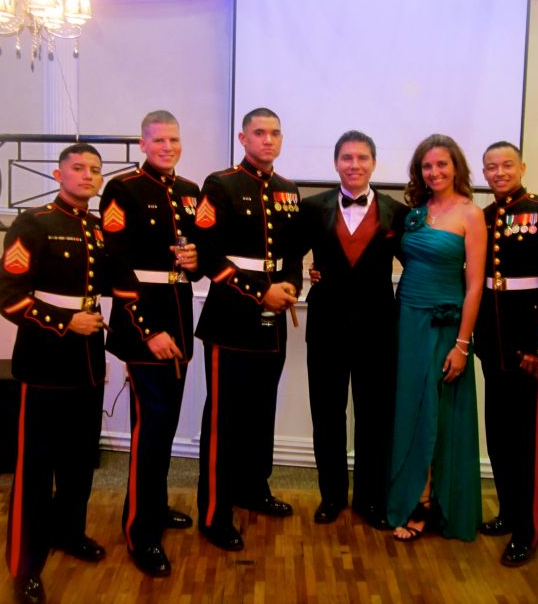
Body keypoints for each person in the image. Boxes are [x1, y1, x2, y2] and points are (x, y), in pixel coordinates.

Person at [0, 144, 108, 604]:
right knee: (35, 471)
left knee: (79, 463)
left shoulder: (97, 228)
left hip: (88, 363)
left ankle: (69, 532)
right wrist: (64, 322)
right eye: (78, 168)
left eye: (95, 170)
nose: (87, 175)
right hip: (43, 363)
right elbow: (9, 297)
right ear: (60, 175)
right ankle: (25, 568)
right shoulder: (34, 223)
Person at [193, 107, 303, 551]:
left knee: (261, 412)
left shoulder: (288, 189)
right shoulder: (220, 184)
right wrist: (262, 292)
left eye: (275, 133)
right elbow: (208, 255)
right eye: (259, 133)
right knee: (224, 420)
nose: (268, 140)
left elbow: (293, 252)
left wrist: (290, 285)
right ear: (243, 139)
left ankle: (254, 489)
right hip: (231, 319)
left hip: (273, 322)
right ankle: (214, 514)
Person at [99, 111, 200, 577]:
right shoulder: (122, 189)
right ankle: (140, 533)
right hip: (146, 328)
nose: (167, 147)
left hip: (178, 317)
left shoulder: (189, 191)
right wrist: (148, 331)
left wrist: (196, 261)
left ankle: (154, 507)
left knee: (165, 427)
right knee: (150, 429)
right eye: (159, 140)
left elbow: (194, 261)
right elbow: (116, 264)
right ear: (142, 143)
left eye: (173, 139)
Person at [297, 130, 408, 528]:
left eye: (362, 158)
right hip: (325, 325)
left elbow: (415, 264)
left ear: (374, 163)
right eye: (347, 158)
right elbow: (289, 254)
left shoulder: (397, 211)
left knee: (375, 417)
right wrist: (299, 280)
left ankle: (370, 499)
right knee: (327, 413)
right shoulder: (312, 207)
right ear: (336, 163)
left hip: (379, 328)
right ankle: (331, 496)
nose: (354, 165)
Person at [387, 133, 486, 543]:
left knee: (437, 412)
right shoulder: (416, 213)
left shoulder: (471, 214)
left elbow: (475, 285)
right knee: (410, 408)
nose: (434, 172)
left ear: (456, 167)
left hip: (445, 325)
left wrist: (462, 344)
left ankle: (429, 501)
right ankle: (411, 493)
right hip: (407, 319)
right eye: (427, 166)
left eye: (441, 164)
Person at [474, 141, 538, 566]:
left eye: (507, 165)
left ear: (522, 167)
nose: (499, 173)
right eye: (491, 167)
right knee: (499, 434)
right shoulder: (485, 216)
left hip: (529, 345)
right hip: (493, 342)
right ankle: (509, 512)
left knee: (527, 441)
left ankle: (529, 530)